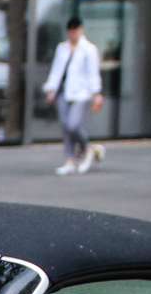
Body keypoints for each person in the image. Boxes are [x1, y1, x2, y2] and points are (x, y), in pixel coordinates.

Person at [42, 16, 105, 175]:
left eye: (75, 29)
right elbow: (57, 70)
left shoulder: (88, 49)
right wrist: (51, 89)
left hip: (81, 92)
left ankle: (86, 148)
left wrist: (96, 92)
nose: (72, 33)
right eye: (70, 30)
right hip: (63, 91)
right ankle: (70, 159)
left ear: (81, 30)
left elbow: (93, 73)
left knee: (73, 125)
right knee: (64, 125)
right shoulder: (62, 48)